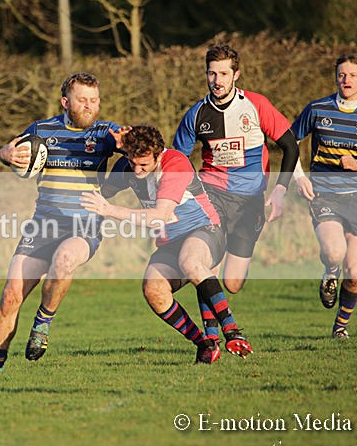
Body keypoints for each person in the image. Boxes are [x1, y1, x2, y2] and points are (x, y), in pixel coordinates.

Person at [0, 72, 125, 372]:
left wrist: (130, 143)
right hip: (44, 224)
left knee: (64, 259)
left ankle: (42, 323)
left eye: (94, 100)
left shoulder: (104, 134)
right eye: (82, 100)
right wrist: (5, 153)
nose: (89, 106)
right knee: (11, 294)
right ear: (65, 102)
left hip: (84, 225)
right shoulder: (42, 130)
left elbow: (137, 146)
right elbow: (8, 151)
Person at [81, 125, 249, 363]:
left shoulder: (174, 164)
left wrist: (109, 211)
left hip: (205, 230)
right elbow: (102, 192)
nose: (137, 171)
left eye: (144, 165)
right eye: (132, 162)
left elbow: (158, 216)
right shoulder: (128, 165)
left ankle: (232, 331)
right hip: (170, 242)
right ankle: (205, 344)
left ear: (158, 155)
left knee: (190, 262)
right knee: (153, 290)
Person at [172, 44, 299, 347]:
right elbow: (176, 161)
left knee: (232, 282)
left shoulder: (256, 106)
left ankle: (216, 330)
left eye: (223, 74)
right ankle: (213, 338)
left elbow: (291, 147)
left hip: (249, 201)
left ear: (236, 75)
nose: (217, 80)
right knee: (205, 266)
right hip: (210, 195)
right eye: (212, 73)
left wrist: (280, 190)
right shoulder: (196, 114)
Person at [291, 53, 357, 340]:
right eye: (341, 74)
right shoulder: (318, 109)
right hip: (325, 196)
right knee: (335, 252)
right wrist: (298, 177)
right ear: (336, 77)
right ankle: (329, 271)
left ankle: (340, 328)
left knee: (354, 271)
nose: (346, 80)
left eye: (352, 75)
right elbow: (289, 143)